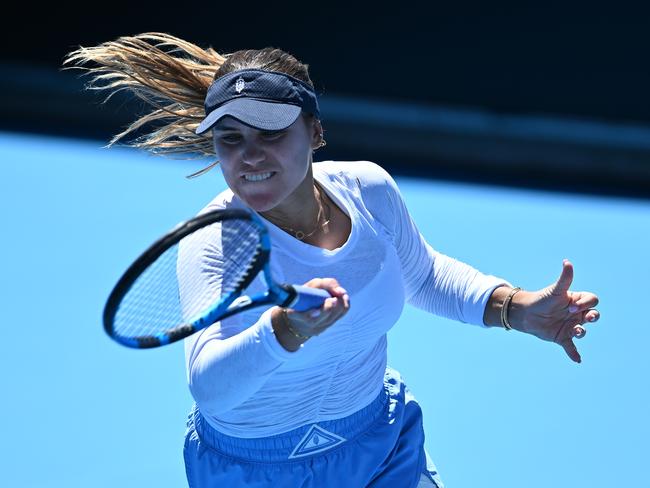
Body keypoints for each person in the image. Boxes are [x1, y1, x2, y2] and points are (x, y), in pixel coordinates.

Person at [64, 33, 600, 487]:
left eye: (270, 133)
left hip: (379, 439)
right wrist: (284, 330)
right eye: (230, 140)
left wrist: (515, 308)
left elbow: (424, 275)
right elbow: (209, 385)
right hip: (253, 471)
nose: (249, 155)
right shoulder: (213, 240)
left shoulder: (369, 190)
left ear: (315, 131)